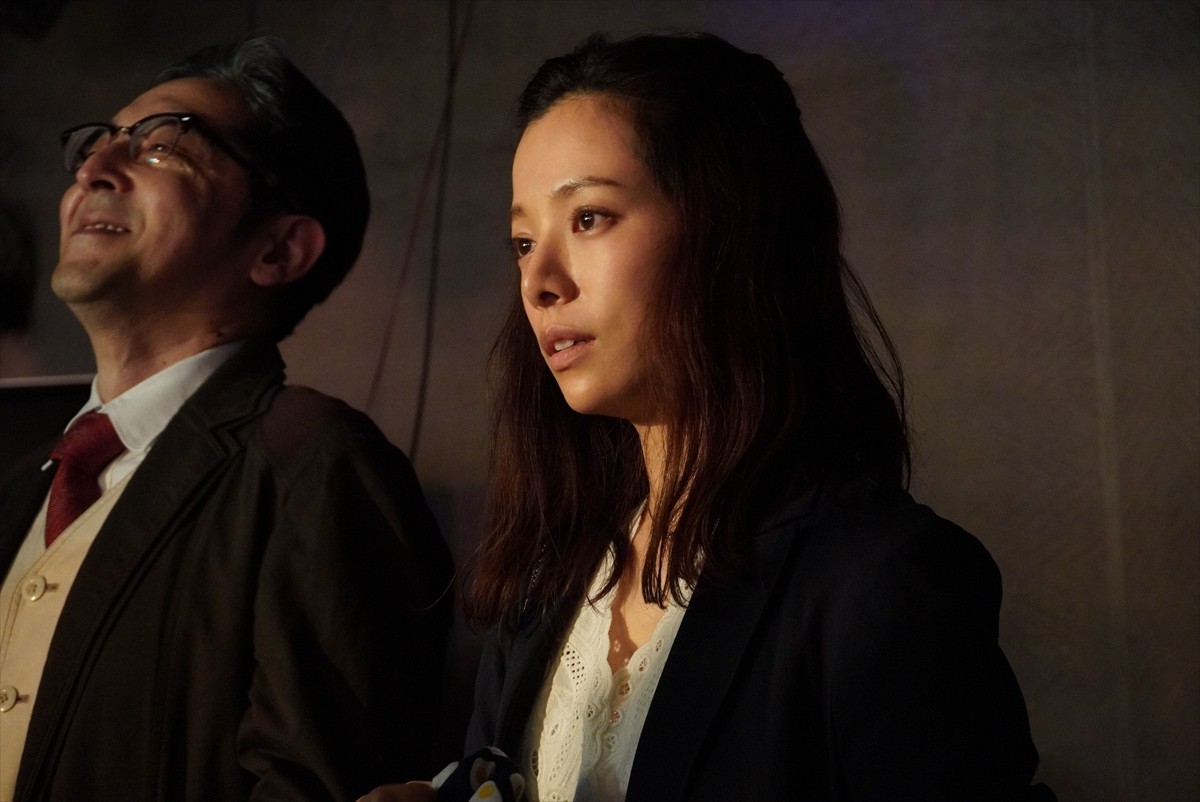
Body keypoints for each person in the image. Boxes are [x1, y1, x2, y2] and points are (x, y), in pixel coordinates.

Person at [362, 31, 1055, 802]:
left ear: (729, 230)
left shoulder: (878, 581)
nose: (539, 280)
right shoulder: (548, 578)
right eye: (523, 241)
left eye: (589, 218)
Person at [0, 37, 453, 802]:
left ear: (280, 248)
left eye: (162, 147)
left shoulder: (316, 468)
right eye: (95, 144)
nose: (94, 169)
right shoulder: (23, 487)